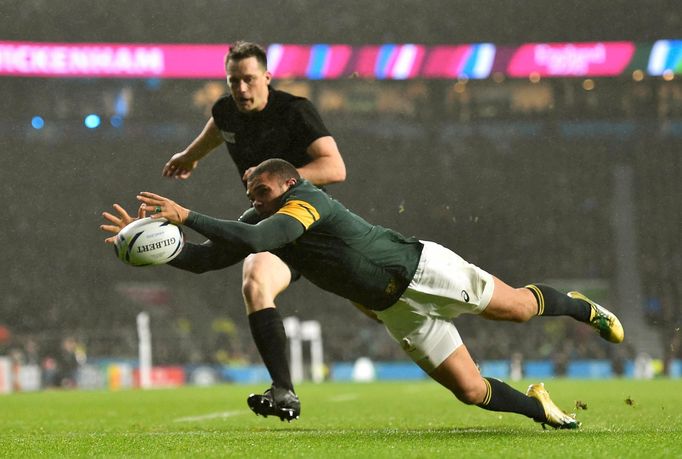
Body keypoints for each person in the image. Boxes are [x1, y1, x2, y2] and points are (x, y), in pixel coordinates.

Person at [102, 158, 624, 427]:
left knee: (515, 311)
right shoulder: (260, 215)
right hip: (392, 308)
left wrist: (188, 214)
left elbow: (261, 240)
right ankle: (543, 410)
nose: (254, 203)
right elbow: (200, 261)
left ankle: (581, 307)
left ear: (287, 185)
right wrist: (148, 244)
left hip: (422, 269)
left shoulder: (308, 203)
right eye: (250, 197)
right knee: (469, 391)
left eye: (261, 193)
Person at [160, 41, 346, 416]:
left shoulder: (295, 111)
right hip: (266, 219)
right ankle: (284, 392)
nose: (241, 90)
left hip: (309, 221)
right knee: (254, 278)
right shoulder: (226, 110)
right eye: (233, 82)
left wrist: (277, 181)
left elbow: (335, 168)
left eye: (248, 80)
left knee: (375, 303)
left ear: (267, 77)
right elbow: (219, 127)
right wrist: (189, 155)